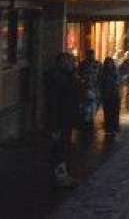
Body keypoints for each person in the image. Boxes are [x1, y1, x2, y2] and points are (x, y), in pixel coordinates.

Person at [44, 52, 80, 188]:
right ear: (64, 63)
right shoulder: (58, 79)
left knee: (63, 148)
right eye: (71, 62)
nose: (73, 64)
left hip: (66, 119)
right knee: (59, 149)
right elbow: (54, 104)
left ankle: (62, 175)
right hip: (60, 120)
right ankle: (60, 177)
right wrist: (53, 126)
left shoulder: (67, 77)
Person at [76, 49, 101, 133]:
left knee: (93, 107)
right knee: (86, 107)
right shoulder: (83, 64)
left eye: (92, 54)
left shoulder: (97, 64)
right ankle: (87, 124)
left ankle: (89, 122)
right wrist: (82, 82)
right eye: (89, 54)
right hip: (85, 88)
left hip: (94, 88)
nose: (91, 56)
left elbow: (100, 75)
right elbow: (78, 74)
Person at [98, 57, 121, 137]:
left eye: (110, 62)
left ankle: (114, 128)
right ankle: (109, 128)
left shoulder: (115, 72)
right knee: (107, 112)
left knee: (114, 112)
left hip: (114, 95)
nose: (109, 64)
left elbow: (118, 82)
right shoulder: (103, 73)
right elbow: (101, 84)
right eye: (107, 63)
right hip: (107, 95)